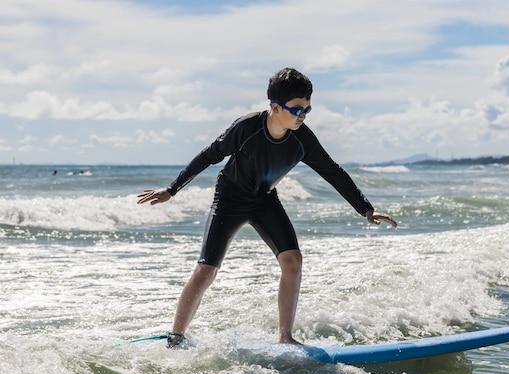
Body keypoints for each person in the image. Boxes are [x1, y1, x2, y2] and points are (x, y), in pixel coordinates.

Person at [137, 68, 397, 348]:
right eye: (298, 109)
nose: (304, 116)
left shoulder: (303, 139)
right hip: (230, 198)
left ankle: (285, 337)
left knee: (293, 260)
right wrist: (173, 189)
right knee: (207, 269)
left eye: (308, 109)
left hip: (264, 199)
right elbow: (209, 155)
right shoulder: (246, 128)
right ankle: (176, 338)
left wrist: (366, 209)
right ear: (275, 107)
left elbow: (332, 172)